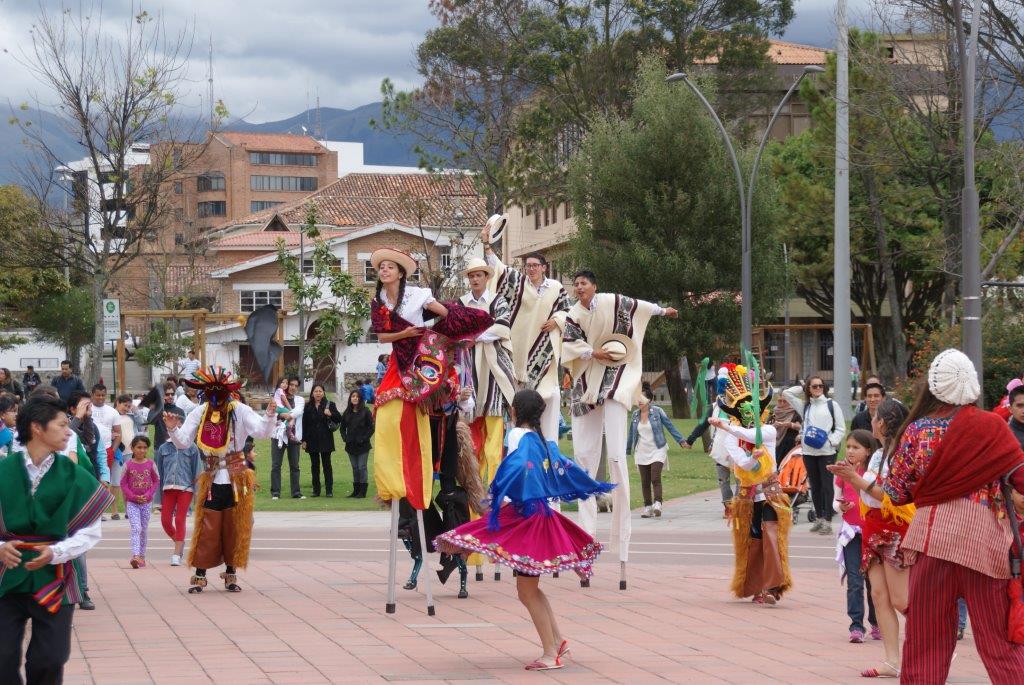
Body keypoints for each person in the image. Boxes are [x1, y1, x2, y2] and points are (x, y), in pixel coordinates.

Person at [435, 389, 614, 671]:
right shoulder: (542, 440)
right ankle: (557, 641)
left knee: (527, 591)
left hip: (528, 521)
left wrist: (499, 491)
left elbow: (518, 467)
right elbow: (557, 468)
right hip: (534, 517)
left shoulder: (518, 435)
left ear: (514, 412)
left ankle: (550, 653)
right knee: (528, 590)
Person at [880, 350, 1024, 683]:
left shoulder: (916, 431)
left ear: (933, 386)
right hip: (985, 547)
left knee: (925, 643)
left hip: (932, 543)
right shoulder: (993, 427)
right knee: (1000, 644)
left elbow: (896, 492)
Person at [561, 269, 678, 562]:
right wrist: (592, 353)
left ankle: (621, 539)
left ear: (594, 286)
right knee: (584, 457)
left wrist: (663, 311)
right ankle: (586, 534)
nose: (579, 287)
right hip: (586, 380)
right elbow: (569, 344)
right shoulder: (573, 314)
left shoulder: (611, 301)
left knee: (615, 456)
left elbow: (638, 305)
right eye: (576, 284)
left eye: (584, 283)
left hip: (615, 374)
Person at [0, 395, 113, 682]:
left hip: (56, 577)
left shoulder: (74, 474)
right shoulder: (3, 470)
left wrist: (57, 552)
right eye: (62, 425)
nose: (68, 432)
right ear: (37, 427)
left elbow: (91, 531)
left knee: (50, 659)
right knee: (1, 658)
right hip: (6, 576)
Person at [369, 247, 491, 511]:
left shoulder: (417, 295)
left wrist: (443, 335)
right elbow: (382, 337)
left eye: (390, 267)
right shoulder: (379, 301)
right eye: (381, 267)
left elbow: (446, 314)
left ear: (401, 273)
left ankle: (442, 479)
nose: (384, 270)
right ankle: (394, 479)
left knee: (440, 403)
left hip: (424, 357)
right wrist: (405, 334)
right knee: (387, 408)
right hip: (399, 359)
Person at [165, 367, 277, 594]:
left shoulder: (240, 410)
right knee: (208, 525)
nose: (216, 400)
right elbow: (183, 441)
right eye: (211, 395)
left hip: (236, 475)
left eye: (220, 394)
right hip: (212, 476)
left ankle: (230, 573)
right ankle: (200, 574)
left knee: (235, 524)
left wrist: (269, 415)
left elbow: (262, 432)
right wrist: (173, 429)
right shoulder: (201, 412)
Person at [831, 399, 912, 678]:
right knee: (879, 596)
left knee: (901, 599)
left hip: (894, 528)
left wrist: (853, 478)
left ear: (884, 423)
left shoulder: (901, 453)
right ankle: (892, 661)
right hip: (872, 528)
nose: (872, 421)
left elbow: (888, 495)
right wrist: (850, 478)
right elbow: (868, 495)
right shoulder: (877, 455)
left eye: (876, 417)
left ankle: (937, 642)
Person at [708, 361, 791, 606]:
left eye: (752, 410)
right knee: (753, 539)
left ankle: (773, 587)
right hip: (747, 495)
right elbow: (743, 464)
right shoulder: (731, 439)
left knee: (770, 535)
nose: (749, 415)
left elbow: (752, 436)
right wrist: (752, 458)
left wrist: (725, 426)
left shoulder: (768, 431)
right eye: (743, 411)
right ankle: (755, 586)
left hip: (771, 493)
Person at [481, 219, 570, 439]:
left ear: (544, 267)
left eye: (535, 265)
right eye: (528, 265)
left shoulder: (556, 287)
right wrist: (486, 245)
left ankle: (549, 444)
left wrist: (557, 320)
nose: (531, 269)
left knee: (550, 396)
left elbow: (568, 311)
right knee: (521, 398)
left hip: (544, 350)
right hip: (520, 348)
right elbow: (499, 268)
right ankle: (521, 441)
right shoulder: (518, 283)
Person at [459, 256, 518, 574]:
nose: (475, 279)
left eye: (479, 275)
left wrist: (476, 334)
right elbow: (455, 330)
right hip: (470, 382)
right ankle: (476, 539)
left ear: (487, 276)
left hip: (494, 381)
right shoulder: (461, 302)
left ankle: (496, 531)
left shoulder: (498, 301)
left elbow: (503, 327)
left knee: (495, 455)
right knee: (473, 457)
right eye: (471, 275)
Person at [833, 429, 880, 643]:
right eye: (848, 447)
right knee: (854, 580)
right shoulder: (841, 472)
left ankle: (877, 623)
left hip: (873, 533)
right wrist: (841, 507)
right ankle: (856, 626)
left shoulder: (872, 473)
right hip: (851, 534)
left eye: (856, 447)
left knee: (874, 582)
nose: (850, 451)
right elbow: (835, 502)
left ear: (868, 450)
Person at [783, 376, 845, 535]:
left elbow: (840, 428)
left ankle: (828, 521)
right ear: (809, 389)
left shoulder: (832, 405)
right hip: (809, 452)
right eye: (814, 386)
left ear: (824, 387)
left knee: (826, 486)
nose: (818, 388)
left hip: (827, 452)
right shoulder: (806, 406)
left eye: (820, 386)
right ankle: (818, 518)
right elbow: (786, 394)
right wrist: (803, 386)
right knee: (815, 487)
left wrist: (831, 442)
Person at [626, 382, 686, 518]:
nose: (639, 401)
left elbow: (669, 426)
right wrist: (627, 450)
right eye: (638, 399)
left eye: (642, 399)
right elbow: (631, 434)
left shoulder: (658, 411)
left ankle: (658, 504)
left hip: (658, 449)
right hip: (641, 451)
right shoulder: (635, 415)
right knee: (645, 481)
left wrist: (681, 440)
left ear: (649, 400)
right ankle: (647, 507)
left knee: (655, 477)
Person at [154, 404, 202, 566]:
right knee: (165, 521)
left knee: (180, 519)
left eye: (178, 422)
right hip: (168, 489)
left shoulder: (192, 448)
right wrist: (157, 498)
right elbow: (159, 474)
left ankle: (176, 553)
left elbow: (197, 471)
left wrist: (198, 494)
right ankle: (179, 543)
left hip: (185, 489)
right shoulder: (163, 448)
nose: (175, 425)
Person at [120, 435, 159, 569]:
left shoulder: (151, 464)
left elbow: (156, 481)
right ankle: (135, 556)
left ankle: (142, 557)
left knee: (143, 530)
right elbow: (123, 483)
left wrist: (147, 495)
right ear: (132, 448)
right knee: (136, 528)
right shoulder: (128, 465)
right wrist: (132, 497)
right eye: (139, 447)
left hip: (146, 503)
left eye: (144, 447)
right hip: (132, 503)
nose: (142, 450)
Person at [301, 384, 342, 498]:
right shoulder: (308, 406)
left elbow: (339, 418)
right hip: (312, 439)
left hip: (325, 439)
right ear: (312, 393)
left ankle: (329, 490)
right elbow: (304, 424)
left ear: (323, 393)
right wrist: (304, 440)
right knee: (314, 466)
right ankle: (316, 490)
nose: (318, 393)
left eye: (320, 391)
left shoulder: (330, 404)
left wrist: (331, 414)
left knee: (327, 465)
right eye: (316, 391)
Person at [270, 377, 305, 500]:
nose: (293, 387)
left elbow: (298, 411)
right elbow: (271, 413)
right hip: (278, 436)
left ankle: (296, 492)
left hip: (294, 437)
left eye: (296, 385)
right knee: (276, 465)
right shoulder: (277, 397)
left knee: (295, 466)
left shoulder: (300, 400)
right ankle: (275, 492)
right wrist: (280, 414)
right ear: (286, 385)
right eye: (291, 384)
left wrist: (284, 414)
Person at [338, 389, 374, 498]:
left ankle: (362, 491)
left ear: (360, 398)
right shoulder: (347, 412)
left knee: (361, 467)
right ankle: (356, 490)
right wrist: (345, 438)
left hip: (363, 445)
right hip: (351, 445)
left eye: (357, 396)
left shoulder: (366, 411)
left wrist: (363, 438)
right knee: (355, 468)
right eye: (353, 396)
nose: (355, 398)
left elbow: (371, 428)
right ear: (350, 398)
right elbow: (342, 428)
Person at [772, 394, 801, 467]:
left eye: (785, 401)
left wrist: (791, 425)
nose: (782, 403)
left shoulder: (795, 413)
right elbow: (766, 427)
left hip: (789, 445)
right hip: (775, 444)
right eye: (780, 401)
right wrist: (773, 426)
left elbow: (802, 427)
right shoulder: (774, 413)